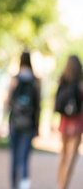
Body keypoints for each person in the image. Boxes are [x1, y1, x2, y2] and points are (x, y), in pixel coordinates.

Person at [5, 51, 41, 189]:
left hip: (14, 122)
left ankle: (13, 186)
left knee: (14, 157)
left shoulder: (15, 79)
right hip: (29, 124)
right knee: (25, 158)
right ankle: (24, 186)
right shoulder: (35, 81)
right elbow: (38, 106)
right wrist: (37, 126)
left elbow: (8, 101)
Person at [56, 55, 83, 189]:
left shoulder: (62, 80)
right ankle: (64, 186)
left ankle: (60, 185)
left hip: (64, 124)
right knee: (71, 160)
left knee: (63, 157)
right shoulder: (80, 83)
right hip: (77, 125)